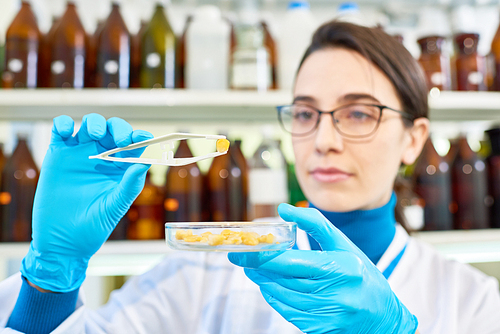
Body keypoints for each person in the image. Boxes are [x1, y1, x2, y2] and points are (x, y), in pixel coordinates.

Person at [1, 21, 499, 334]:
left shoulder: (472, 302)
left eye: (359, 113)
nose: (322, 139)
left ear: (414, 138)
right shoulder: (206, 272)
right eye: (305, 114)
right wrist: (50, 282)